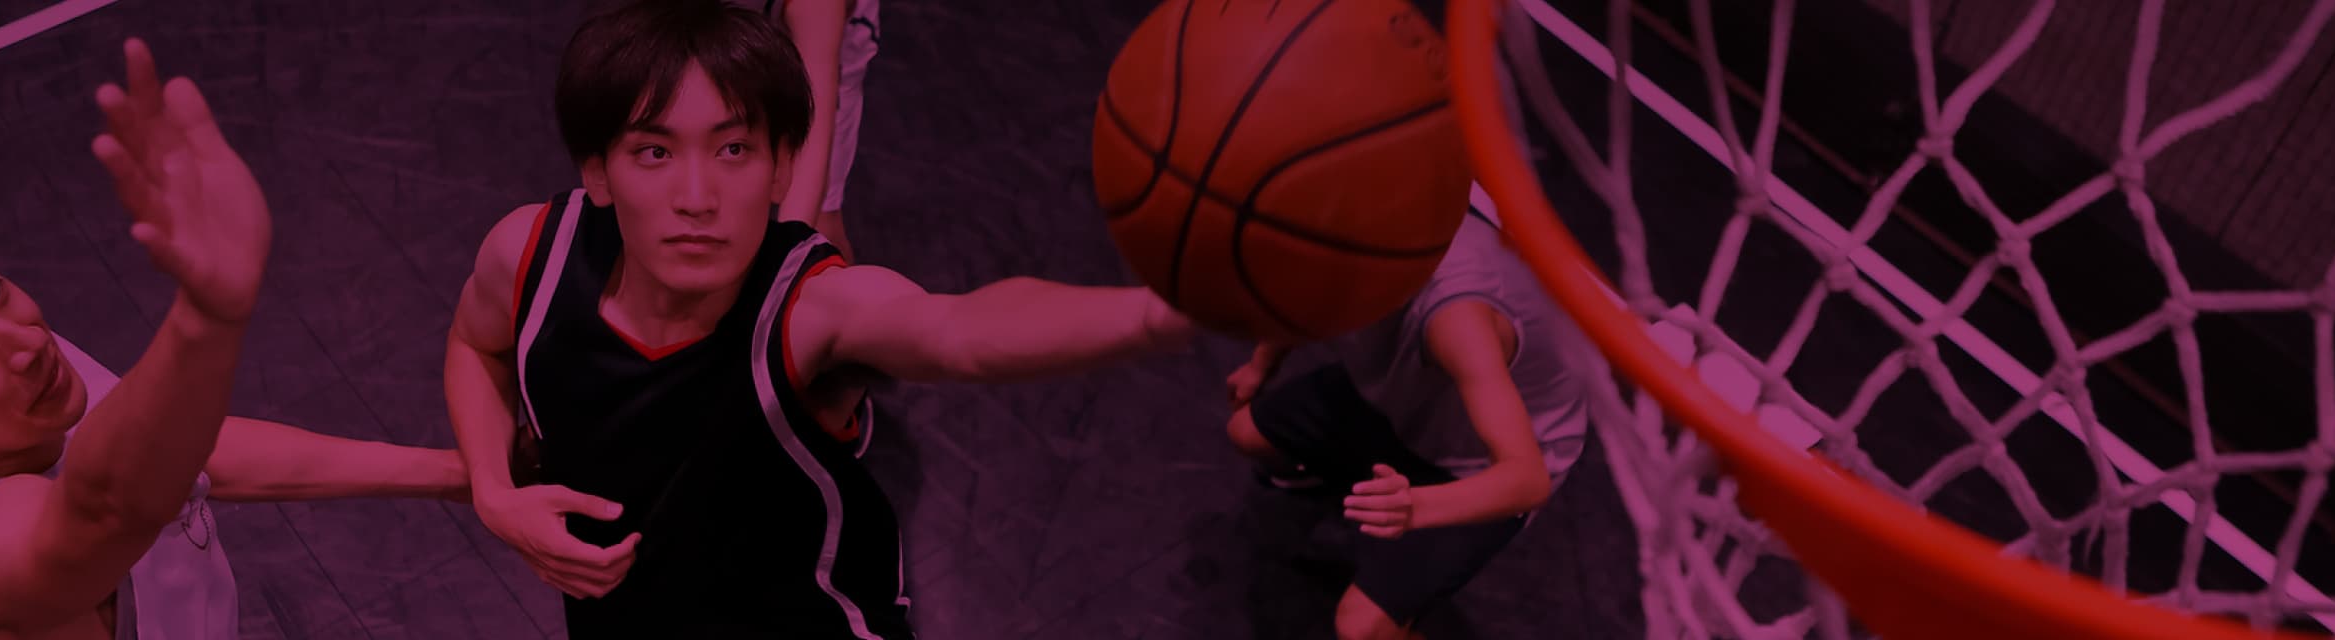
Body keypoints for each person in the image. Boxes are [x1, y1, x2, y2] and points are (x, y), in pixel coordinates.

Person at [442, 2, 1193, 637]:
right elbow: (476, 346)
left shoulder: (811, 312)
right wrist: (493, 493)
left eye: (733, 148)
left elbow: (958, 333)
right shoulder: (529, 255)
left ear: (782, 167)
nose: (697, 197)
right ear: (598, 172)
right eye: (654, 152)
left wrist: (1159, 314)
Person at [0, 40, 466, 640]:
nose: (25, 340)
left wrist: (459, 475)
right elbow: (107, 507)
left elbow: (182, 446)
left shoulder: (18, 382)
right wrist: (205, 316)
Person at [1222, 211, 1600, 640]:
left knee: (1361, 628)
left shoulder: (1457, 321)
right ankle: (1342, 482)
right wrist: (1259, 367)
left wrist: (1415, 506)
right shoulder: (1338, 243)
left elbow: (1527, 481)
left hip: (1476, 464)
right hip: (1403, 402)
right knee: (1245, 432)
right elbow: (1302, 301)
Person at [729, 0, 878, 260]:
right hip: (723, 33)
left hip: (823, 41)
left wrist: (785, 264)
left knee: (820, 227)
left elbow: (813, 131)